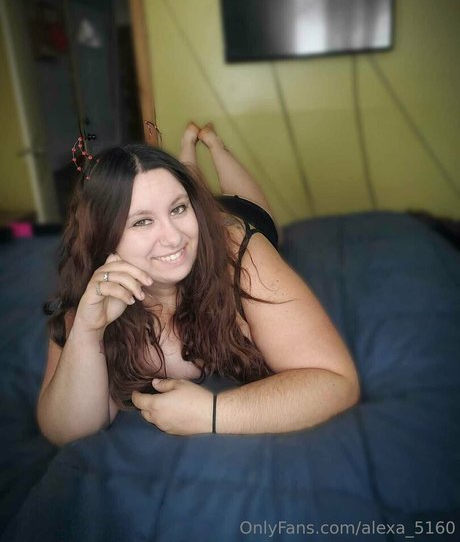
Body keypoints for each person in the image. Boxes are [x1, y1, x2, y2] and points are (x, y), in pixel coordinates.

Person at [38, 123, 360, 446]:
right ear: (103, 235)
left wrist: (212, 413)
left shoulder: (240, 253)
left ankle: (214, 145)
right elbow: (68, 431)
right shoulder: (92, 291)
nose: (173, 237)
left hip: (236, 218)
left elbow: (336, 382)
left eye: (179, 208)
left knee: (256, 213)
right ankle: (187, 156)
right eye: (142, 221)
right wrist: (87, 331)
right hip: (197, 217)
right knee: (185, 186)